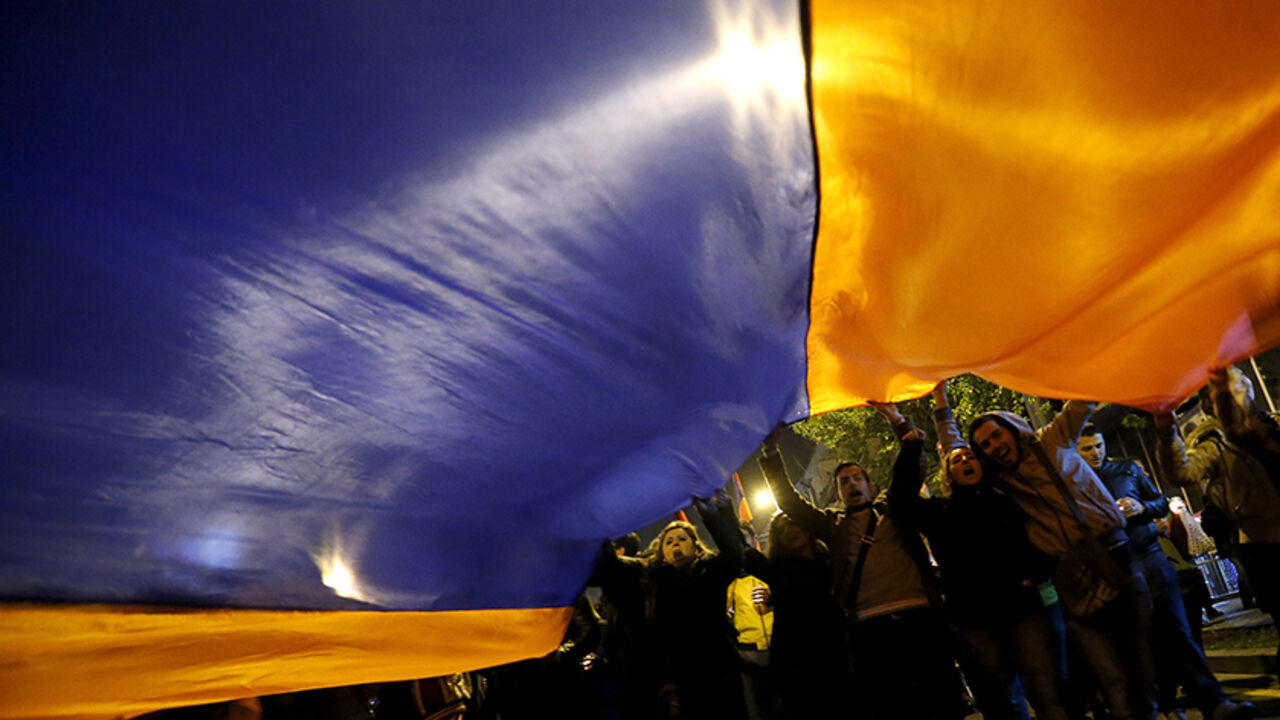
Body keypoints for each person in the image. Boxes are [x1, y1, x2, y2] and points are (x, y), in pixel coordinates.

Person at [967, 396, 1156, 720]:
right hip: (1071, 577)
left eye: (996, 435)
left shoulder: (1053, 440)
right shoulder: (1001, 480)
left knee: (1142, 659)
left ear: (1012, 428)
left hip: (1115, 558)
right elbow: (958, 457)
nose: (993, 446)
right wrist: (940, 402)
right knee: (1108, 672)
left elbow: (1081, 403)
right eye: (984, 445)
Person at [760, 424, 965, 720]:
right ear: (839, 493)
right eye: (844, 481)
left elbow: (908, 477)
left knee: (941, 700)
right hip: (871, 629)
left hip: (920, 619)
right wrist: (770, 451)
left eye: (858, 478)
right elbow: (789, 502)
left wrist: (901, 427)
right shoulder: (834, 525)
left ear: (870, 486)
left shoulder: (894, 509)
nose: (852, 484)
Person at [900, 387, 1068, 720]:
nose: (965, 459)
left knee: (1046, 692)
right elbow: (902, 501)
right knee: (1004, 701)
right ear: (948, 473)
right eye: (957, 460)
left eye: (971, 456)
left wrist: (1033, 573)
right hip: (975, 620)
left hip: (1023, 611)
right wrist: (910, 443)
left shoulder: (1007, 497)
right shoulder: (939, 512)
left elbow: (1041, 533)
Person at [1077, 424, 1251, 720]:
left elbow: (1160, 502)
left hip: (1150, 558)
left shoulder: (1127, 470)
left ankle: (1213, 701)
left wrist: (1140, 507)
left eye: (1099, 445)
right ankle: (1162, 704)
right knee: (1140, 642)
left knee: (1179, 631)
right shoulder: (1073, 482)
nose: (1096, 453)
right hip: (1114, 568)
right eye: (1087, 448)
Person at [1156, 365, 1280, 685]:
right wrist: (1167, 433)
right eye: (1226, 389)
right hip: (1264, 542)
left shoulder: (1271, 424)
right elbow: (1182, 473)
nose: (1238, 391)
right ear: (1212, 403)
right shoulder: (1214, 442)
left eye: (1240, 383)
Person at [594, 493, 747, 719]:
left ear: (696, 548)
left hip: (718, 672)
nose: (676, 543)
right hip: (676, 680)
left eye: (682, 539)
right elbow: (611, 568)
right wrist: (598, 526)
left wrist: (712, 515)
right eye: (669, 541)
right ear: (662, 553)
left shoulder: (711, 571)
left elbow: (734, 554)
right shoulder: (650, 580)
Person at [741, 511, 848, 719]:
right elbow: (742, 552)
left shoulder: (831, 563)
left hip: (836, 662)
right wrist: (719, 514)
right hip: (798, 672)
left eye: (793, 523)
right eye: (781, 530)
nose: (789, 531)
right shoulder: (778, 571)